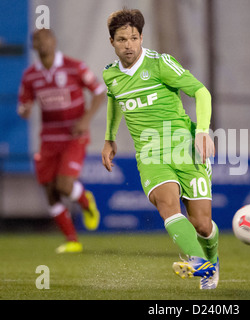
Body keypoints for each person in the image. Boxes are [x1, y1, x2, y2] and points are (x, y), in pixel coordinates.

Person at [101, 8, 219, 289]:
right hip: (150, 154)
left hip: (185, 148)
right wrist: (109, 138)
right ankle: (199, 263)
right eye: (121, 40)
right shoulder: (111, 76)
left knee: (202, 224)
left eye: (133, 38)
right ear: (112, 42)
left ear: (141, 38)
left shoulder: (161, 64)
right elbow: (114, 101)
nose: (128, 45)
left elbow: (201, 92)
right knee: (167, 204)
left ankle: (211, 264)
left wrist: (202, 131)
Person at [18, 29, 105, 253]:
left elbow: (99, 92)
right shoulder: (30, 75)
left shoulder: (74, 66)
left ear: (54, 41)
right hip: (48, 139)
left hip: (74, 136)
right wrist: (25, 110)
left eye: (46, 39)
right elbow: (24, 104)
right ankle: (72, 241)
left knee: (64, 185)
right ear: (33, 46)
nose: (42, 43)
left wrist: (85, 120)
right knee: (50, 191)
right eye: (37, 40)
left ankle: (86, 202)